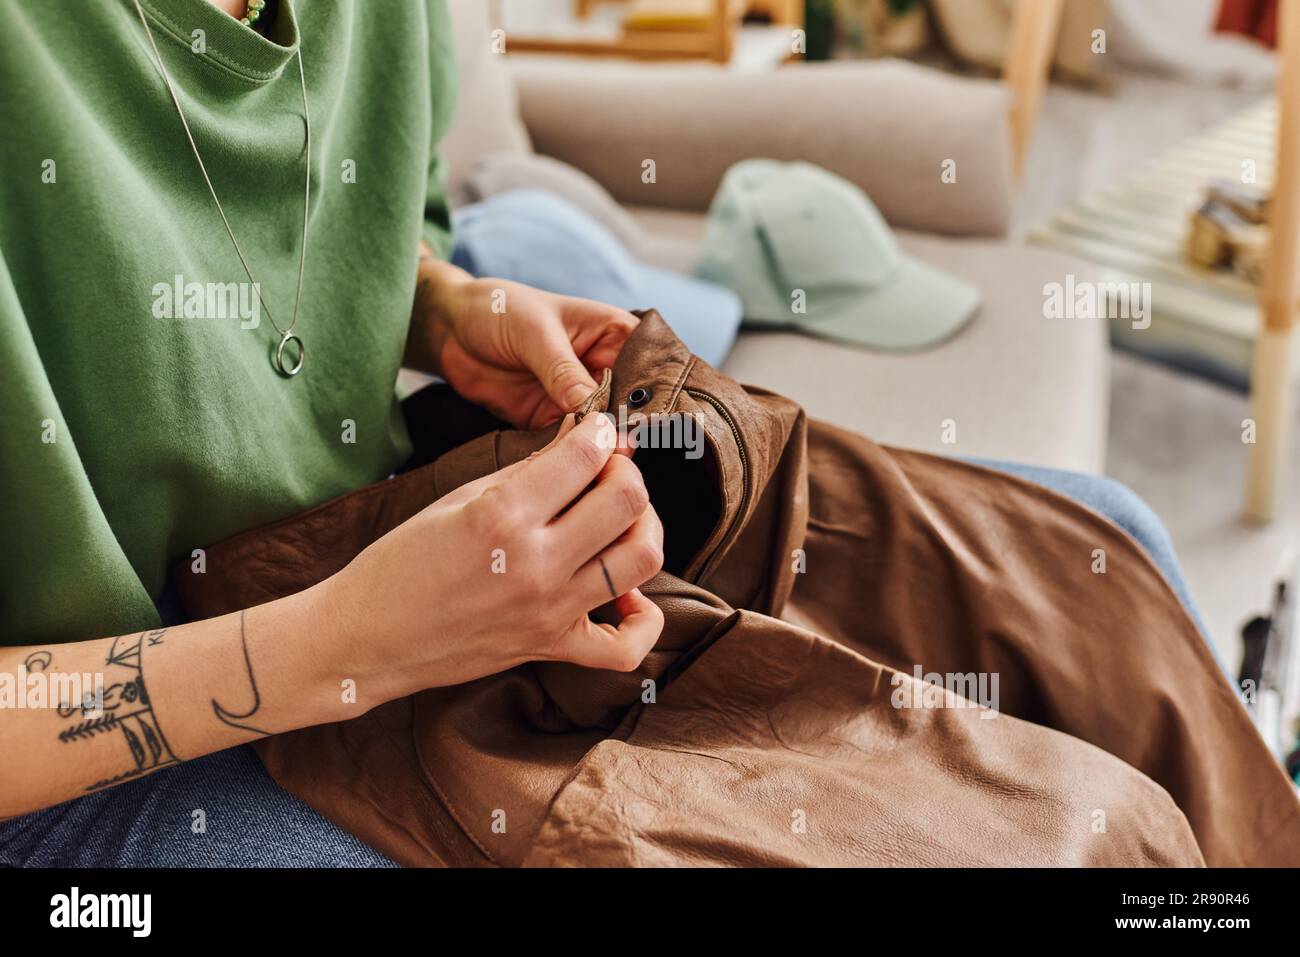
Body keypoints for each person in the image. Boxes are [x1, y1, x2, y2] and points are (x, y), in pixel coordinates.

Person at [0, 0, 1212, 867]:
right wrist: (342, 645)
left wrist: (439, 305)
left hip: (385, 538)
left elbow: (307, 233)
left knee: (1109, 549)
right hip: (107, 744)